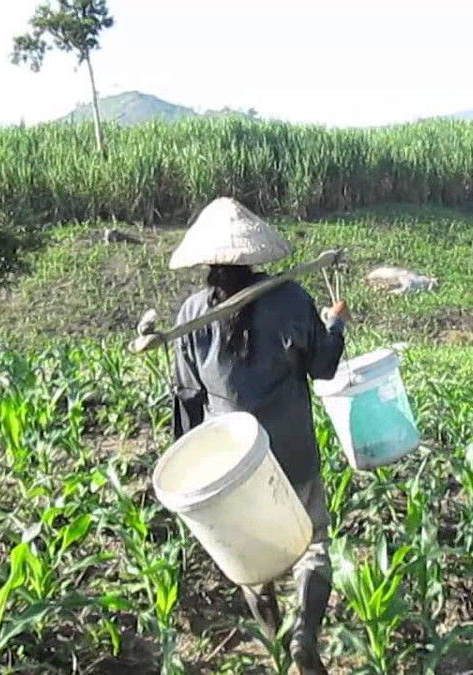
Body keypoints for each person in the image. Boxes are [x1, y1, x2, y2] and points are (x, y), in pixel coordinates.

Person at [167, 196, 347, 674]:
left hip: (230, 466)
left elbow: (186, 395)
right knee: (313, 543)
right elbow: (324, 367)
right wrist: (336, 326)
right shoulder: (290, 299)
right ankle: (305, 635)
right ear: (253, 255)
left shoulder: (191, 313)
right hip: (289, 451)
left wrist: (187, 465)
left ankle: (275, 639)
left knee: (250, 560)